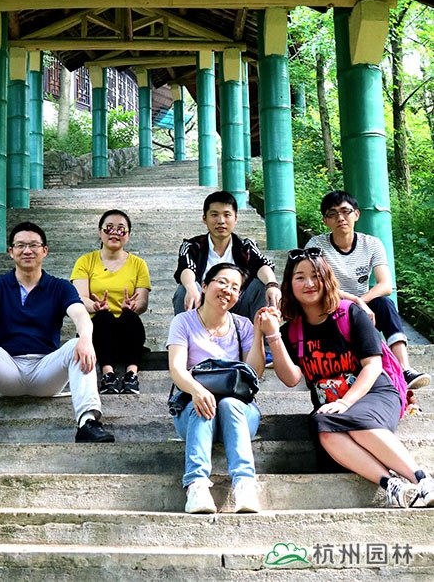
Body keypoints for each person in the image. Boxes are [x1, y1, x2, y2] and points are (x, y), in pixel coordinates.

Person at [259, 247, 434, 508]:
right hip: (331, 409)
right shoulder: (292, 331)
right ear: (289, 284)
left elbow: (373, 366)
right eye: (300, 277)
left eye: (316, 275)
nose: (309, 283)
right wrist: (273, 335)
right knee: (322, 425)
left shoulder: (350, 313)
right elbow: (291, 378)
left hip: (374, 394)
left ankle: (422, 480)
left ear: (327, 278)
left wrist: (345, 402)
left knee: (350, 418)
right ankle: (392, 485)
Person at [0, 221, 114, 445]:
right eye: (20, 245)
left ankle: (88, 422)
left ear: (45, 250)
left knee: (79, 344)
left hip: (46, 370)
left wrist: (85, 338)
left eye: (34, 245)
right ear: (11, 251)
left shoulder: (60, 287)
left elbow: (80, 315)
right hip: (8, 369)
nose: (27, 250)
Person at [167, 262, 269, 514]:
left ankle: (245, 485)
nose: (227, 290)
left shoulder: (242, 325)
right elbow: (177, 368)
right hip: (194, 410)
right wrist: (197, 390)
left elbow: (254, 374)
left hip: (239, 413)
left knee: (230, 403)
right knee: (204, 405)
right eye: (222, 282)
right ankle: (196, 486)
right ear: (204, 286)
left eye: (235, 287)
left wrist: (258, 334)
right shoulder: (183, 322)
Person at [305, 190, 430, 390]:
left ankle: (404, 369)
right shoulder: (316, 245)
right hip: (330, 307)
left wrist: (360, 302)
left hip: (362, 308)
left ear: (356, 214)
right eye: (333, 214)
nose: (340, 218)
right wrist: (355, 302)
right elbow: (318, 285)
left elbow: (385, 285)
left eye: (345, 211)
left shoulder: (371, 244)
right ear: (325, 221)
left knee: (384, 303)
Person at [71, 209, 151, 395]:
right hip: (96, 330)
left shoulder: (138, 264)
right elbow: (79, 298)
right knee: (103, 317)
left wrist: (132, 306)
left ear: (128, 235)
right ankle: (108, 374)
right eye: (109, 228)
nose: (115, 232)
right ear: (100, 232)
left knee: (130, 317)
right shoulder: (85, 261)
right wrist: (95, 306)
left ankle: (131, 374)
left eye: (121, 229)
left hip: (126, 331)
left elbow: (142, 301)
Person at [173, 190, 281, 321]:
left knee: (262, 285)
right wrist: (191, 287)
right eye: (214, 215)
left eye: (227, 215)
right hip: (203, 307)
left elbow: (261, 264)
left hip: (238, 308)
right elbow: (186, 267)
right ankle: (183, 332)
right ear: (204, 219)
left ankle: (263, 333)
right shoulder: (193, 246)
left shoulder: (245, 246)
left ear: (235, 219)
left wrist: (272, 285)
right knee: (184, 289)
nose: (221, 221)